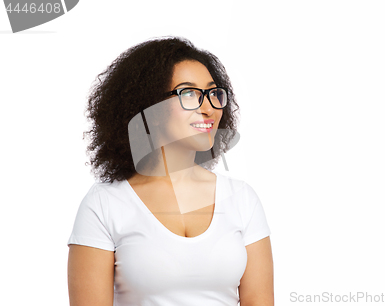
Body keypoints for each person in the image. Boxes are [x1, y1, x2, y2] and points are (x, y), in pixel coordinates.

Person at [67, 36, 274, 306]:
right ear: (149, 108)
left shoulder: (242, 199)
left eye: (213, 93)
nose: (208, 107)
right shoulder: (104, 204)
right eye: (188, 93)